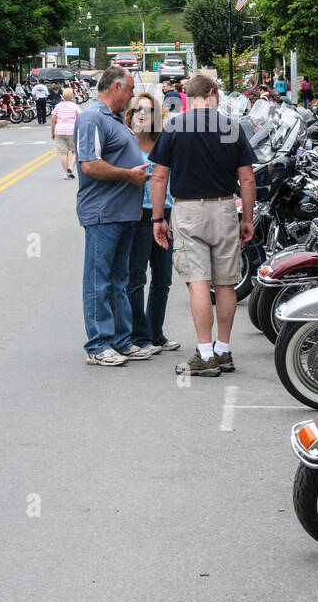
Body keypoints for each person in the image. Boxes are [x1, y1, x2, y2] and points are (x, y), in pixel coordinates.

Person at [149, 73, 257, 378]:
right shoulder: (229, 127)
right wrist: (247, 218)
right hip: (224, 207)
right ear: (209, 93)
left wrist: (158, 218)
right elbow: (247, 178)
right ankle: (223, 350)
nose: (219, 98)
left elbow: (159, 177)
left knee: (198, 281)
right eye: (218, 94)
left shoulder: (175, 127)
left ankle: (205, 353)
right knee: (225, 283)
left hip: (187, 211)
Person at [73, 65, 154, 366]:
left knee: (119, 281)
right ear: (116, 87)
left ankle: (122, 340)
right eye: (130, 89)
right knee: (99, 281)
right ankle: (98, 344)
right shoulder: (93, 117)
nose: (132, 96)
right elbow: (89, 164)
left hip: (124, 213)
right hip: (103, 213)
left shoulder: (115, 118)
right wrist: (128, 176)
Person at [125, 93, 179, 354]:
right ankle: (139, 335)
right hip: (137, 216)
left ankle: (156, 333)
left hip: (164, 214)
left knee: (163, 278)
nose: (142, 114)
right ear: (131, 115)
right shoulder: (126, 144)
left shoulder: (164, 142)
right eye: (137, 110)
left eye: (147, 110)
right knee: (135, 279)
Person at [51, 87, 80, 178]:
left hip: (59, 130)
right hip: (72, 130)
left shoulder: (58, 106)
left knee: (64, 153)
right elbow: (80, 119)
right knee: (75, 151)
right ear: (71, 96)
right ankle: (71, 167)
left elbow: (53, 121)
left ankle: (66, 173)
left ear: (63, 96)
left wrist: (53, 132)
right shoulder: (75, 106)